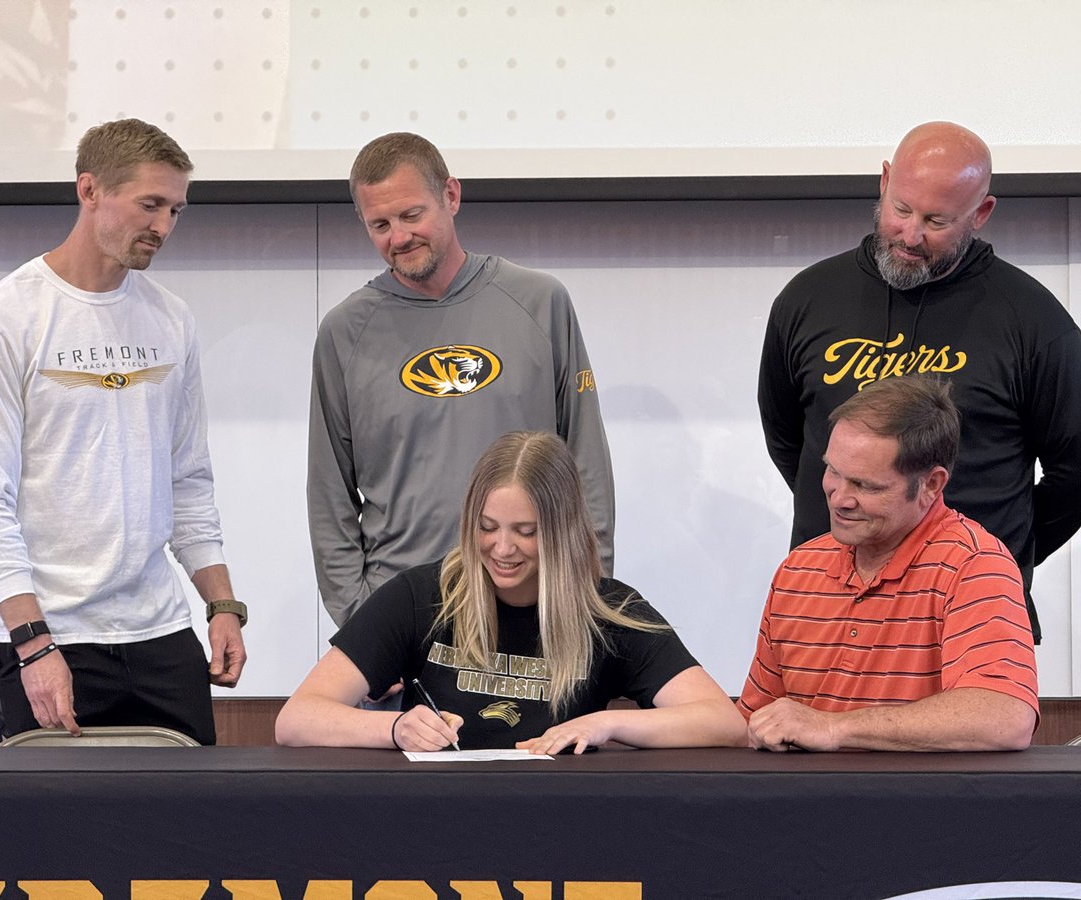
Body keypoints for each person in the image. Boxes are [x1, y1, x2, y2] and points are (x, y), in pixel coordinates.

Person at [0, 118, 246, 745]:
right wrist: (32, 646)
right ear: (89, 190)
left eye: (175, 210)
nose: (163, 226)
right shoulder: (2, 322)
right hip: (47, 635)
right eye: (149, 204)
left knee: (192, 831)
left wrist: (220, 605)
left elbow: (187, 479)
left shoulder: (171, 319)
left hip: (158, 631)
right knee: (53, 839)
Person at [757, 121, 1081, 642]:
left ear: (981, 213)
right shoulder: (808, 299)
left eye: (936, 220)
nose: (910, 235)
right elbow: (789, 441)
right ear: (884, 182)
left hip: (967, 613)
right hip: (828, 606)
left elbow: (1077, 474)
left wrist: (1001, 550)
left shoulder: (1033, 320)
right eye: (901, 209)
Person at [308, 132, 615, 636]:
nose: (398, 237)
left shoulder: (540, 302)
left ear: (451, 195)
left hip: (533, 606)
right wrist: (361, 626)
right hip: (402, 614)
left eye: (411, 215)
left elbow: (586, 463)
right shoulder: (344, 332)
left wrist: (589, 590)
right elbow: (329, 495)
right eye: (379, 225)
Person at [277, 431, 744, 753]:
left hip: (558, 828)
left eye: (525, 531)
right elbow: (297, 719)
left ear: (563, 531)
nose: (502, 549)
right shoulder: (420, 596)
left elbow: (722, 721)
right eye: (487, 528)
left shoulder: (607, 609)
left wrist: (607, 723)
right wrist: (395, 728)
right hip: (431, 822)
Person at [739, 377, 1038, 752]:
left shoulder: (975, 565)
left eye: (867, 486)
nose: (840, 498)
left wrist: (834, 728)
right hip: (805, 805)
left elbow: (1004, 718)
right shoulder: (799, 569)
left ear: (931, 484)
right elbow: (754, 721)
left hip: (918, 807)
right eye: (833, 471)